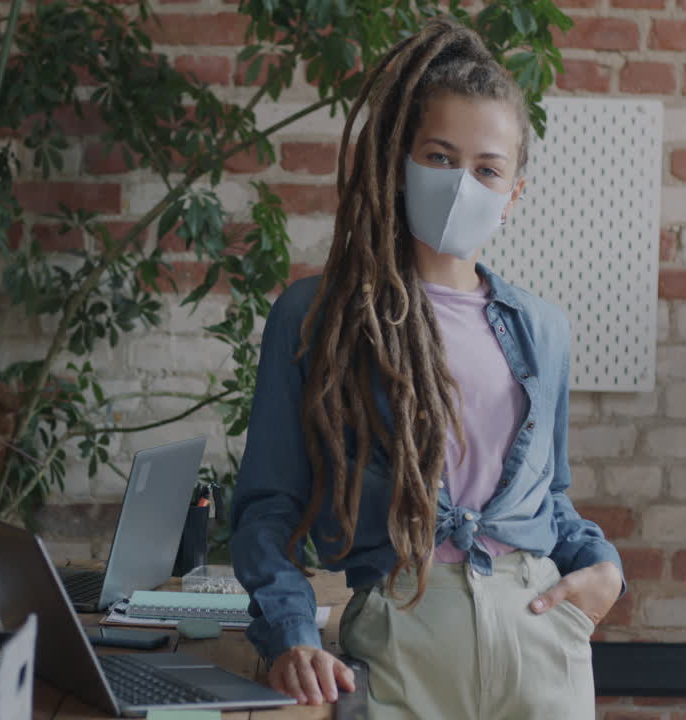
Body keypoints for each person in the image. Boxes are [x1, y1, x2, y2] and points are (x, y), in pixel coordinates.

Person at [229, 17, 625, 720]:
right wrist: (290, 636)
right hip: (402, 643)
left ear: (514, 194)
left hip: (541, 643)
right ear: (397, 163)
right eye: (439, 157)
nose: (462, 184)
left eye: (487, 169)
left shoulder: (542, 329)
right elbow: (269, 508)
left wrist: (603, 572)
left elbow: (551, 497)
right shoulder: (317, 315)